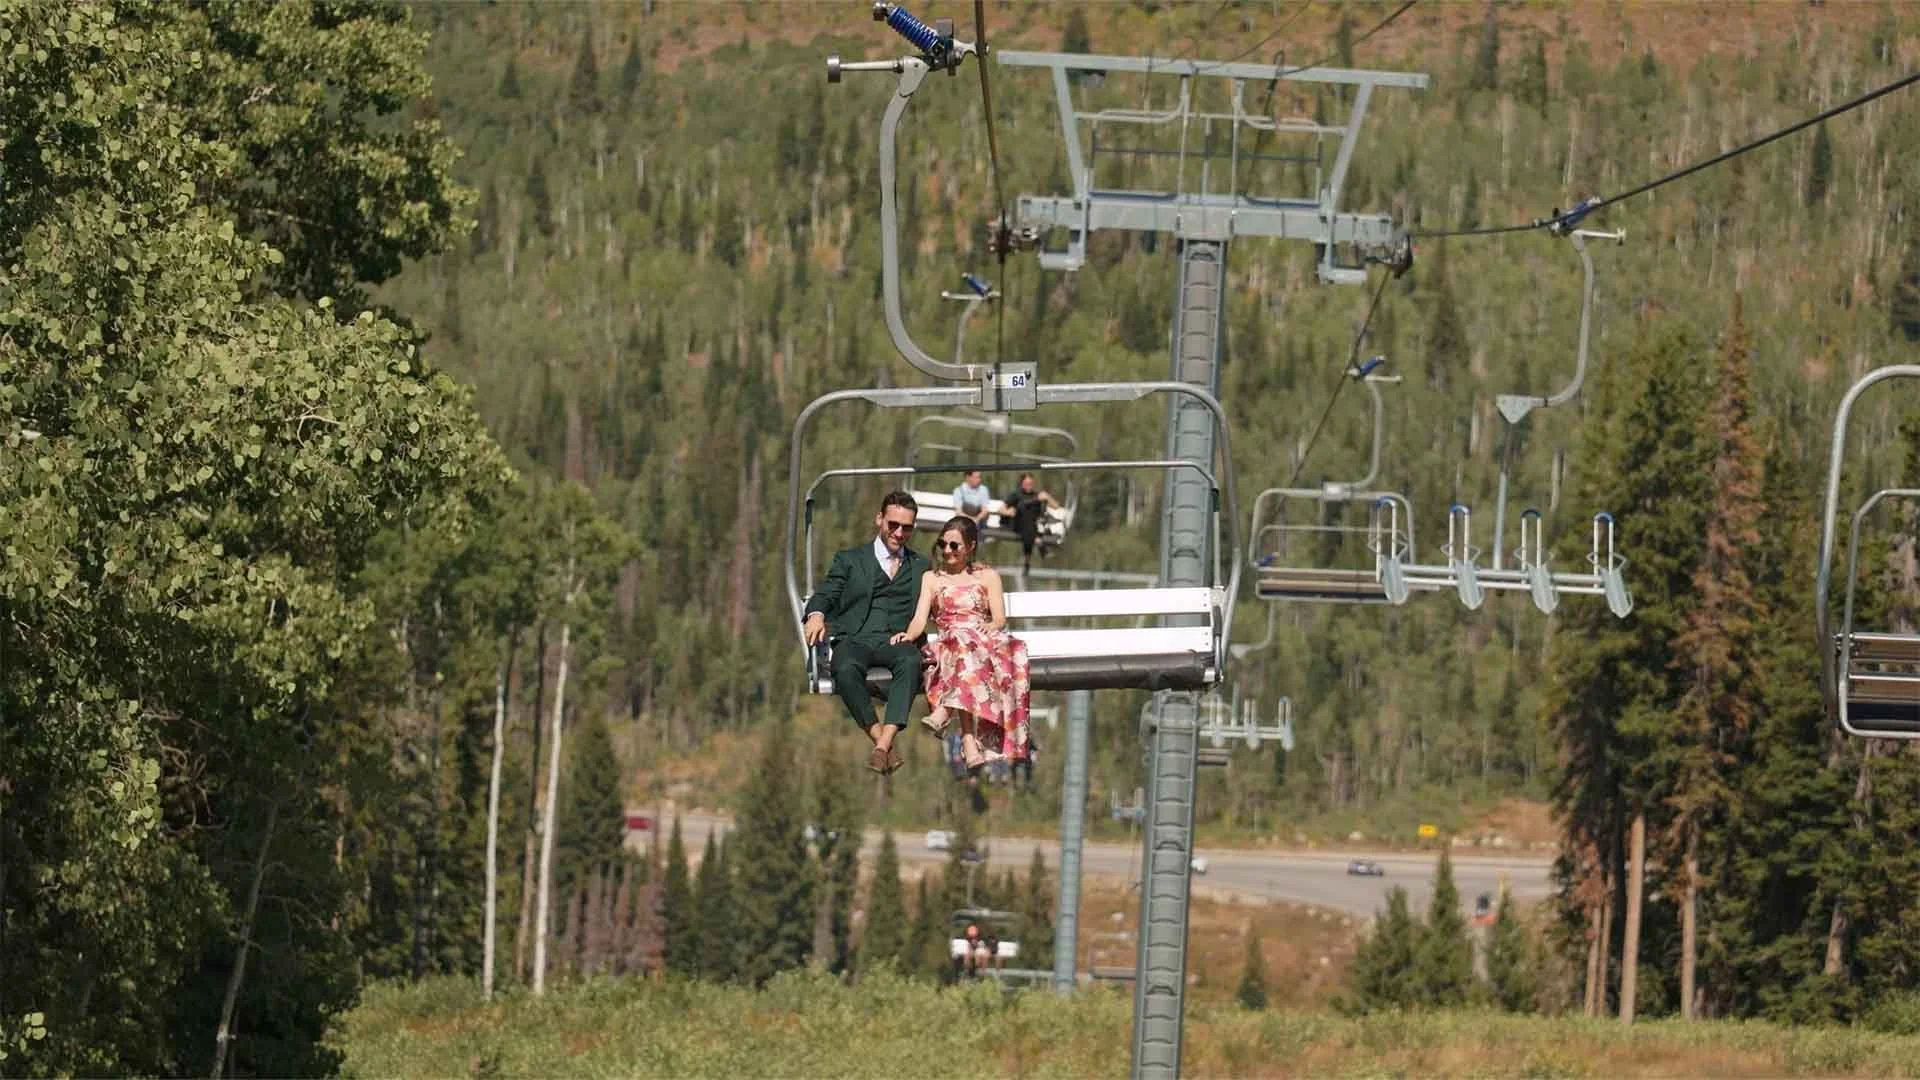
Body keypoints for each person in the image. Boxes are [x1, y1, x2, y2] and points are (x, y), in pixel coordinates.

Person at [890, 516, 1031, 772]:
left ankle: (949, 716)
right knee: (962, 649)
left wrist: (988, 627)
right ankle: (967, 741)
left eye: (954, 546)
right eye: (943, 544)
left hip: (982, 641)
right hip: (951, 644)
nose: (947, 550)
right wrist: (909, 636)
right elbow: (920, 618)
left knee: (968, 647)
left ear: (970, 546)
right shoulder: (932, 578)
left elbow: (999, 618)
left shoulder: (987, 576)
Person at [804, 491, 930, 774]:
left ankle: (881, 747)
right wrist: (816, 614)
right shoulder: (850, 560)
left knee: (911, 662)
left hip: (896, 640)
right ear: (879, 520)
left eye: (906, 527)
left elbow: (948, 585)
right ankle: (882, 741)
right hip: (856, 638)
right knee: (844, 666)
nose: (899, 533)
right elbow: (828, 592)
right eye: (893, 524)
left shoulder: (921, 566)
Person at [1004, 472, 1061, 574]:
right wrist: (1009, 512)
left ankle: (1027, 562)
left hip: (1034, 526)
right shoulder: (1016, 495)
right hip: (1019, 523)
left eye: (1030, 484)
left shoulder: (1037, 495)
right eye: (1026, 484)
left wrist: (1047, 497)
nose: (1029, 486)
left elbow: (1056, 506)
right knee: (1025, 515)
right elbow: (1002, 509)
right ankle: (1040, 545)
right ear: (1022, 483)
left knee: (1031, 525)